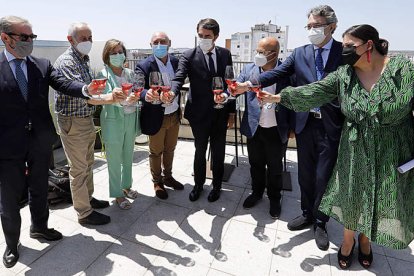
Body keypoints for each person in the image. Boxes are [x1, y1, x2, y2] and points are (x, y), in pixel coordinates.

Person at [260, 24, 414, 270]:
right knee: (352, 196)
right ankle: (347, 240)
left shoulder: (404, 70)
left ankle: (365, 240)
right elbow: (315, 91)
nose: (343, 51)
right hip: (354, 149)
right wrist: (278, 97)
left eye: (348, 46)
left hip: (391, 153)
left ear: (369, 46)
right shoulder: (345, 75)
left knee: (379, 199)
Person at [237, 4, 343, 251]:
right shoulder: (301, 53)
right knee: (306, 175)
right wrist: (248, 84)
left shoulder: (344, 52)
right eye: (309, 26)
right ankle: (307, 213)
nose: (312, 30)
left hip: (330, 124)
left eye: (316, 25)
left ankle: (320, 222)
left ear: (332, 26)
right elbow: (275, 74)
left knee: (323, 176)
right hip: (305, 123)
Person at [0, 15, 103, 268]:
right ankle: (12, 244)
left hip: (39, 140)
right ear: (5, 38)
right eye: (23, 37)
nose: (29, 41)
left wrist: (85, 89)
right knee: (9, 197)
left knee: (39, 188)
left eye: (32, 37)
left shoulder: (42, 64)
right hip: (7, 145)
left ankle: (40, 228)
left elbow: (63, 83)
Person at [171, 18, 235, 203]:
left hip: (220, 111)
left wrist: (231, 111)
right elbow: (179, 77)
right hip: (198, 113)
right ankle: (198, 185)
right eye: (200, 35)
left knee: (219, 151)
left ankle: (216, 186)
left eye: (207, 36)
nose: (203, 39)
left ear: (216, 36)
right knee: (200, 150)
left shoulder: (225, 54)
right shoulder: (189, 55)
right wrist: (173, 92)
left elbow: (230, 81)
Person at [54, 22, 111, 225]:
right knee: (78, 168)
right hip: (73, 122)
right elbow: (82, 91)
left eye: (90, 37)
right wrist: (110, 98)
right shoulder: (67, 61)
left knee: (88, 163)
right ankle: (84, 213)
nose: (88, 42)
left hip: (84, 118)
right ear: (71, 40)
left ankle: (88, 198)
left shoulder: (83, 59)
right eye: (83, 38)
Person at [230, 37, 293, 219]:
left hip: (276, 127)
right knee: (255, 164)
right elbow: (237, 87)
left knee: (275, 168)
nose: (258, 55)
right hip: (254, 127)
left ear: (274, 54)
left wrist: (293, 127)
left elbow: (293, 101)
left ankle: (274, 198)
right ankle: (256, 193)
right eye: (257, 51)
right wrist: (230, 91)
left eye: (262, 52)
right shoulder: (249, 69)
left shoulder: (286, 72)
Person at [135, 32, 184, 200]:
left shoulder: (177, 62)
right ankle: (157, 181)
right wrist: (146, 94)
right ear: (150, 45)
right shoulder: (143, 65)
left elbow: (181, 81)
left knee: (170, 149)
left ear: (169, 43)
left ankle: (168, 177)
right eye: (155, 42)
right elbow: (138, 87)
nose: (159, 44)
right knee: (156, 152)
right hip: (156, 116)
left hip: (174, 114)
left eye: (163, 41)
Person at [95, 39, 140, 209]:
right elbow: (102, 98)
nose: (117, 55)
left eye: (120, 52)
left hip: (130, 118)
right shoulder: (102, 74)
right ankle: (117, 194)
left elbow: (136, 93)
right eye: (113, 53)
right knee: (114, 160)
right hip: (113, 121)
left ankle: (126, 186)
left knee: (128, 156)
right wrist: (118, 99)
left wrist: (135, 98)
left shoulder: (130, 73)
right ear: (107, 56)